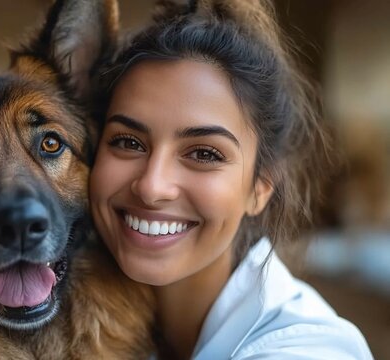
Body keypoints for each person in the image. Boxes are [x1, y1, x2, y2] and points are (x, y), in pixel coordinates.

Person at [89, 0, 373, 358]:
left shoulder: (305, 349)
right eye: (128, 142)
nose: (151, 186)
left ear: (261, 186)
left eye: (205, 154)